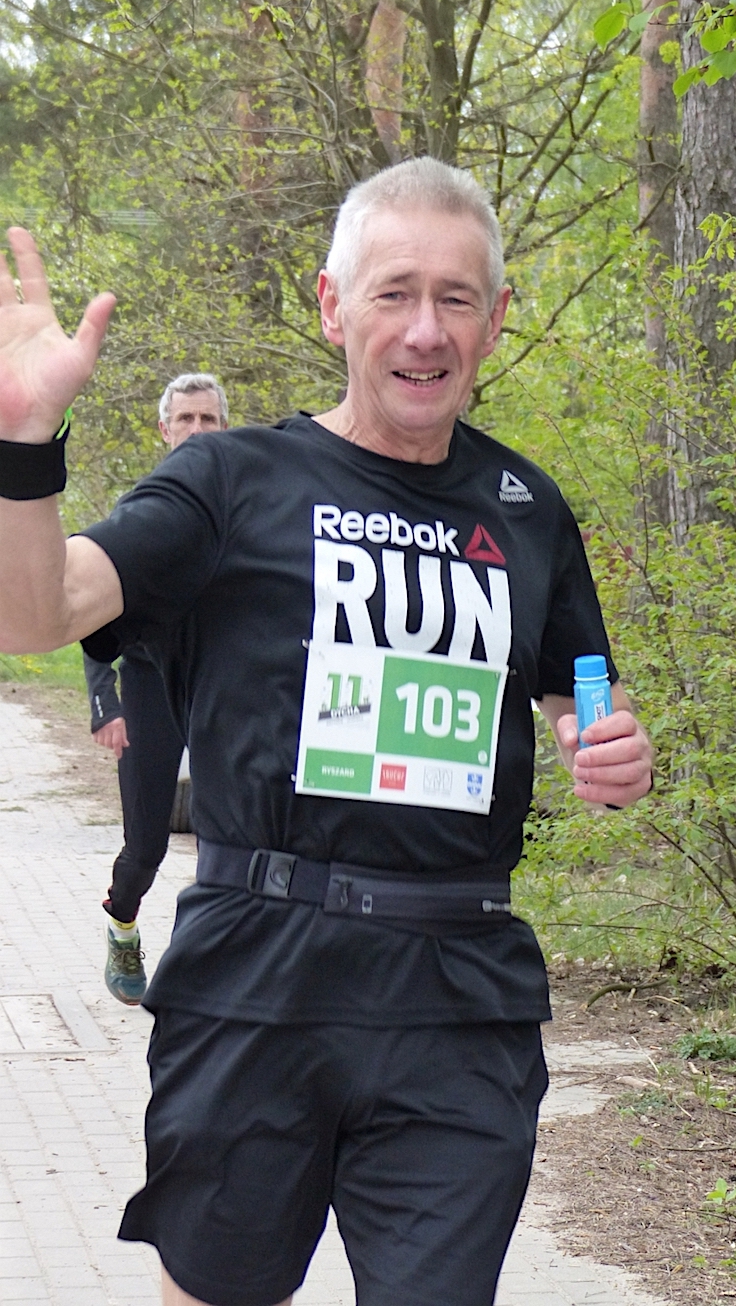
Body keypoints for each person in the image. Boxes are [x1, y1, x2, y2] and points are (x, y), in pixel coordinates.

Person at [0, 157, 653, 1306]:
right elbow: (34, 613)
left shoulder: (528, 507)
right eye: (394, 292)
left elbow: (579, 703)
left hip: (460, 986)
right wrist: (23, 446)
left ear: (497, 317)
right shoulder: (229, 479)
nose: (425, 329)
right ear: (331, 305)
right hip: (258, 971)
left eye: (455, 297)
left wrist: (611, 753)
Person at [85, 374, 228, 1004]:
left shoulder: (247, 505)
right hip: (148, 684)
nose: (196, 430)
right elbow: (93, 608)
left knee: (231, 835)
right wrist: (105, 702)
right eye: (185, 420)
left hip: (221, 685)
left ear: (225, 428)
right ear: (164, 429)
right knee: (146, 844)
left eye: (207, 419)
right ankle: (122, 922)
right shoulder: (142, 508)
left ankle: (205, 959)